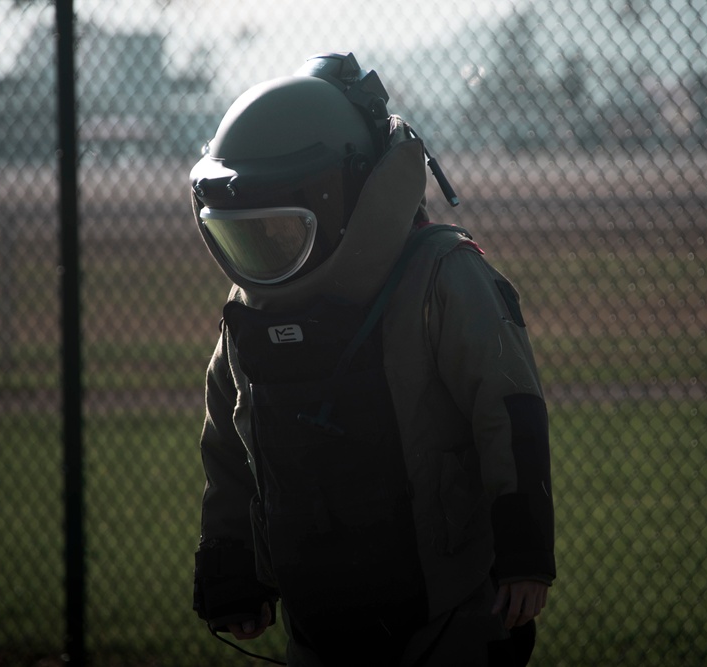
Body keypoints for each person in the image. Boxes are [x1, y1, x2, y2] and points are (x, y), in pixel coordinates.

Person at [189, 52, 555, 667]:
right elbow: (229, 444)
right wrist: (232, 564)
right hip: (318, 620)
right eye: (244, 237)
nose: (264, 254)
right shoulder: (251, 306)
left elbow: (510, 411)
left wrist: (523, 559)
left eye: (280, 230)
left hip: (446, 618)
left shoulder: (442, 274)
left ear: (347, 196)